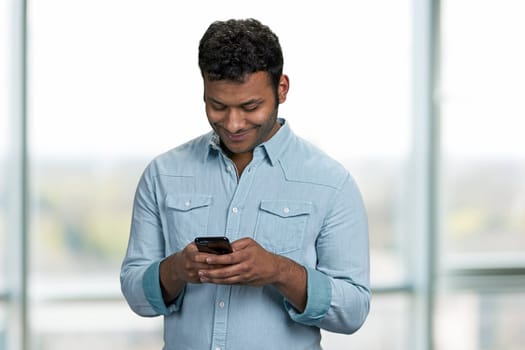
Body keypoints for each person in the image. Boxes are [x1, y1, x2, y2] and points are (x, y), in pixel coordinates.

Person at [120, 18, 370, 350]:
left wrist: (279, 271)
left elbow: (353, 310)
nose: (234, 123)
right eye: (218, 106)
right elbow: (136, 294)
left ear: (282, 88)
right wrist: (177, 269)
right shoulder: (163, 174)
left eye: (250, 107)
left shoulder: (331, 183)